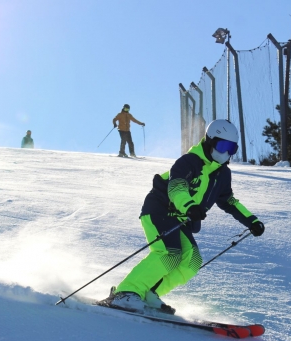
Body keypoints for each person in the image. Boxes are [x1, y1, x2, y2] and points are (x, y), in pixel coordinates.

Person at [107, 119, 265, 314]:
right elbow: (177, 187)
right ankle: (126, 292)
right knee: (170, 253)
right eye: (222, 146)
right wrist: (189, 206)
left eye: (231, 148)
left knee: (192, 261)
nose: (226, 153)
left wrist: (252, 221)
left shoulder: (222, 174)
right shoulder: (189, 162)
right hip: (159, 209)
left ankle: (150, 293)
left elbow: (229, 202)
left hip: (181, 220)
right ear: (209, 141)